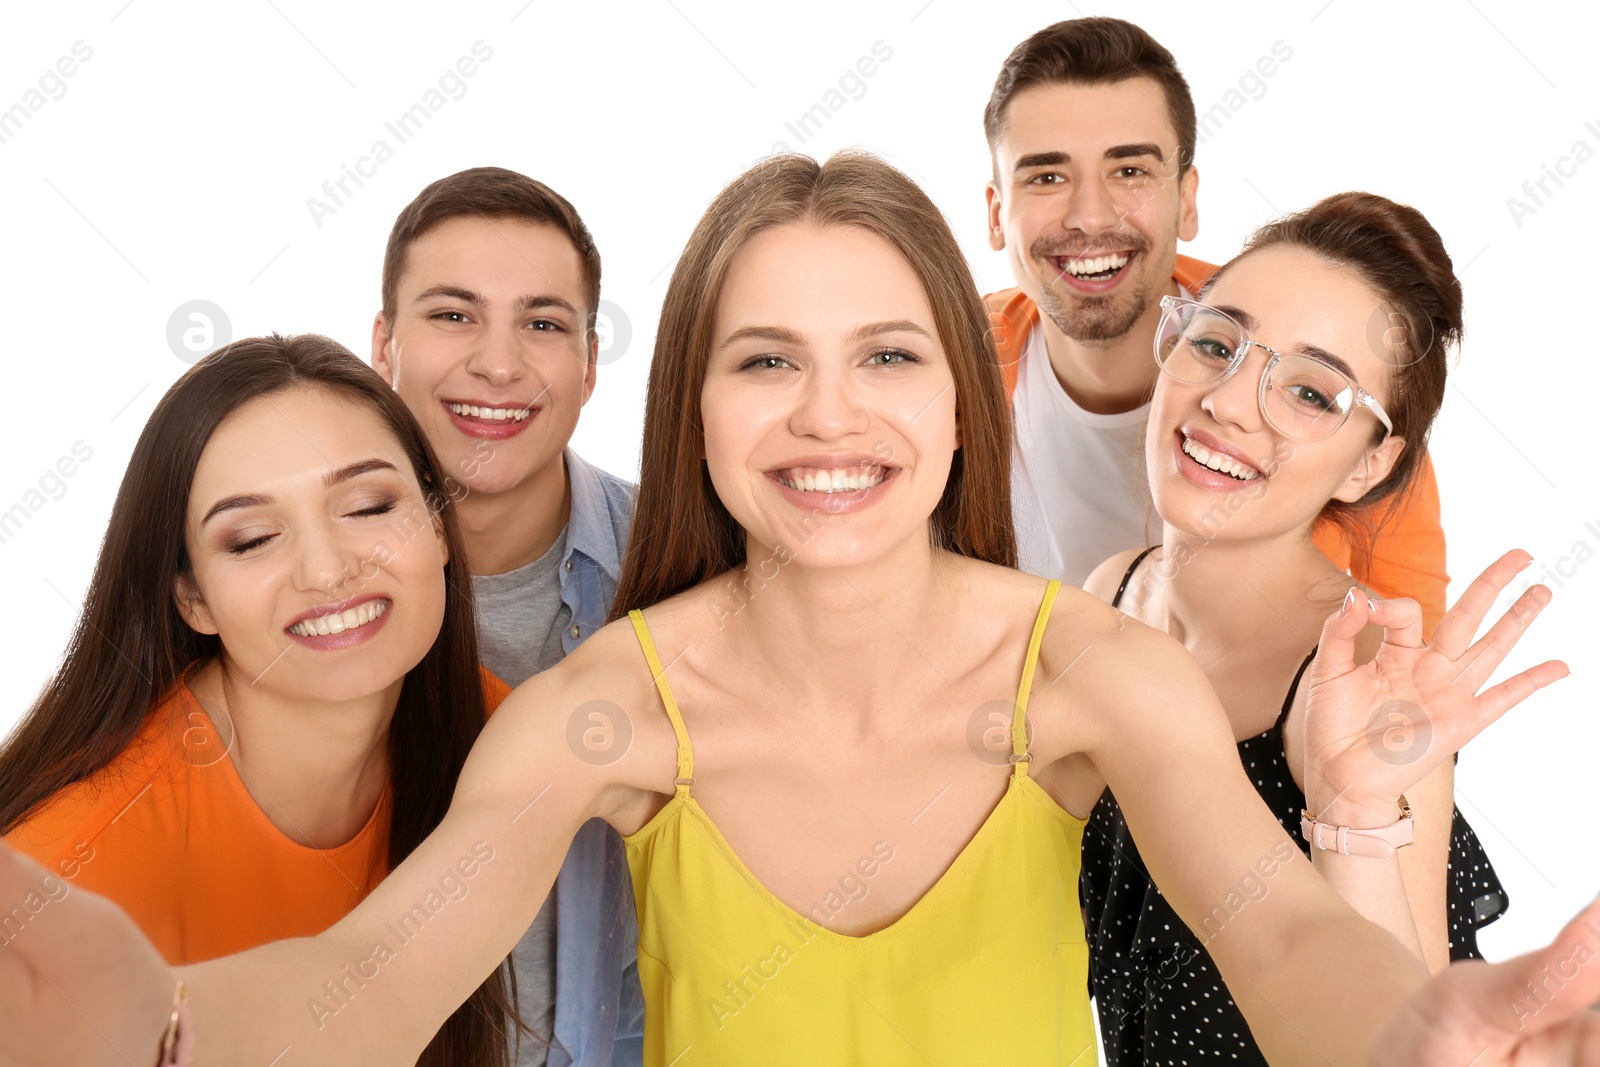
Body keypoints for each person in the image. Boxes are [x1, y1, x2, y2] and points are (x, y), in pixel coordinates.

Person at [0, 153, 1583, 1067]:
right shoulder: (599, 710)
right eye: (766, 360)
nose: (830, 418)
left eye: (888, 355)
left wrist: (1416, 1022)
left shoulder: (1094, 675)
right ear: (691, 405)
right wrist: (166, 1021)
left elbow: (1283, 933)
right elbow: (373, 977)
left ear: (967, 403)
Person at [0, 334, 518, 1066]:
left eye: (369, 505)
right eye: (250, 539)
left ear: (437, 525)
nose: (327, 568)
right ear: (192, 598)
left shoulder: (504, 735)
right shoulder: (71, 867)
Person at [1076, 191, 1507, 1063]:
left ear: (1372, 464)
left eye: (1312, 392)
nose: (1232, 402)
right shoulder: (1112, 590)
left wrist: (1351, 811)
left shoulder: (1359, 675)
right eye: (1215, 342)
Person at [982, 18, 1451, 635]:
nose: (1090, 215)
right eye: (1046, 176)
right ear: (996, 215)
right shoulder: (941, 368)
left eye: (1129, 172)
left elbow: (1409, 678)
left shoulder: (1339, 399)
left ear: (1189, 197)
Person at [369, 167, 643, 1067]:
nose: (498, 362)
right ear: (383, 346)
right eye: (453, 315)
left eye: (542, 322)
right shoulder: (304, 594)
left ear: (591, 363)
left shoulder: (686, 567)